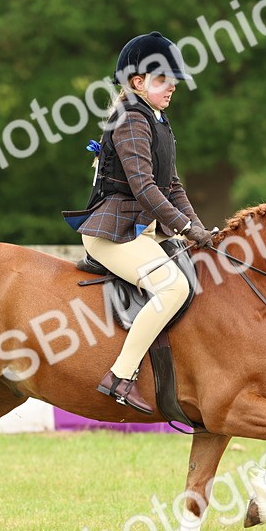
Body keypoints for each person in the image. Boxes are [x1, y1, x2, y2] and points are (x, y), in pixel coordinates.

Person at [73, 31, 213, 414]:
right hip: (112, 233)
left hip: (140, 231)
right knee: (172, 288)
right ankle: (120, 375)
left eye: (173, 81)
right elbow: (145, 188)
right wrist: (186, 229)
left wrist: (201, 231)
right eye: (163, 80)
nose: (172, 88)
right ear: (138, 82)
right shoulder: (131, 119)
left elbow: (173, 186)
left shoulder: (158, 120)